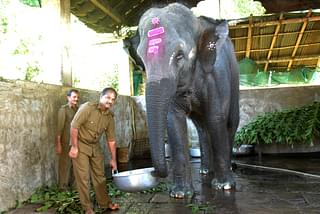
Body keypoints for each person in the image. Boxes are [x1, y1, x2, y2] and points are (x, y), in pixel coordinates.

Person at [69, 87, 120, 214]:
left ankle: (105, 203)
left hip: (94, 146)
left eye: (113, 99)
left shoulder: (109, 117)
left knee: (100, 176)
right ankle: (87, 208)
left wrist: (113, 159)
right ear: (101, 97)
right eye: (108, 97)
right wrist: (74, 147)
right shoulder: (88, 108)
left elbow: (111, 140)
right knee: (83, 177)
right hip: (80, 144)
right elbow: (74, 126)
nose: (110, 101)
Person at [55, 89, 80, 190]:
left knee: (76, 164)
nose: (76, 99)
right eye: (74, 97)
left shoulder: (78, 109)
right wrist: (58, 144)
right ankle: (63, 187)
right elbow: (59, 129)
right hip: (65, 142)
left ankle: (74, 187)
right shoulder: (63, 110)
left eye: (77, 97)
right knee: (65, 164)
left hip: (76, 141)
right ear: (68, 98)